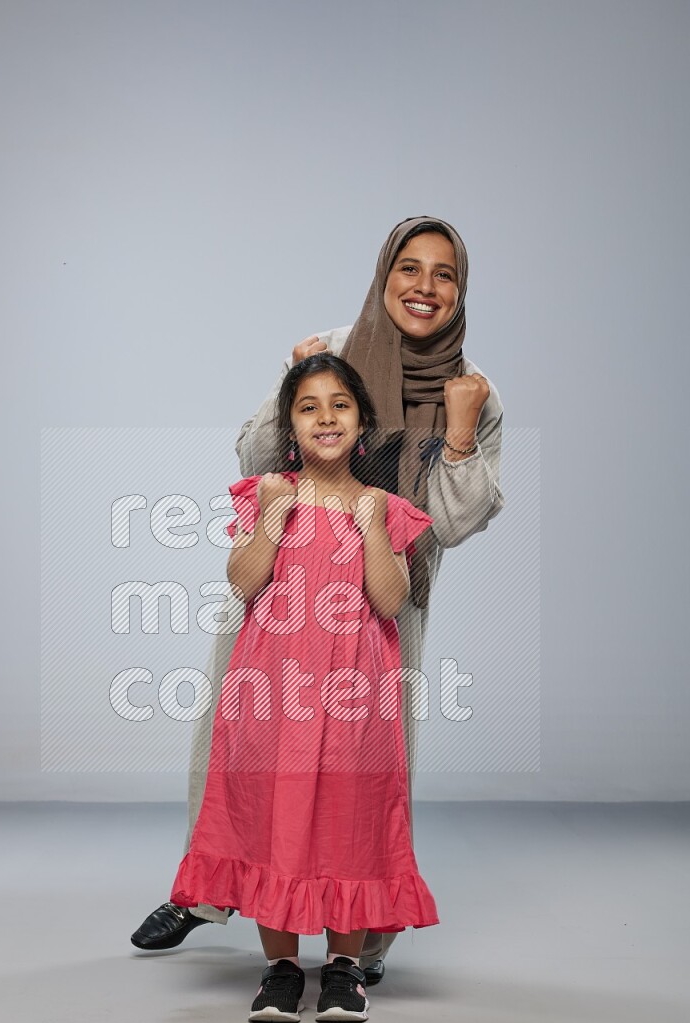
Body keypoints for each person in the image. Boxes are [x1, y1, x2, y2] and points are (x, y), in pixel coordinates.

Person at [132, 215, 505, 982]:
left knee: (367, 765)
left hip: (382, 594)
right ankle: (208, 891)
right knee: (239, 743)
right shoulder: (329, 353)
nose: (424, 287)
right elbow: (257, 459)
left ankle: (360, 942)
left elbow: (455, 521)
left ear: (461, 290)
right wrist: (290, 385)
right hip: (283, 579)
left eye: (444, 274)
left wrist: (461, 435)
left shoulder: (473, 391)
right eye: (409, 267)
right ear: (384, 275)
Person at [170, 353, 439, 1023]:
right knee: (273, 814)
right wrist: (271, 515)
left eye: (340, 405)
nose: (326, 418)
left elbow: (389, 599)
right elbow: (244, 581)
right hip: (274, 688)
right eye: (309, 406)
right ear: (290, 425)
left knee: (352, 815)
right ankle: (282, 967)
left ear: (362, 421)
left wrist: (372, 526)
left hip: (354, 694)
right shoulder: (268, 494)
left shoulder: (384, 507)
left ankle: (344, 966)